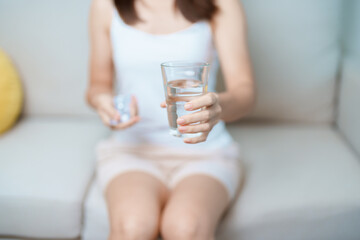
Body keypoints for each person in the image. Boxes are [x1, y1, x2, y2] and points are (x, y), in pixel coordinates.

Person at [86, 0, 254, 239]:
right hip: (131, 149)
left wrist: (217, 106)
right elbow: (97, 85)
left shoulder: (222, 3)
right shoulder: (105, 5)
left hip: (204, 151)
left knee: (186, 227)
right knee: (132, 226)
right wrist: (103, 101)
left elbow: (245, 92)